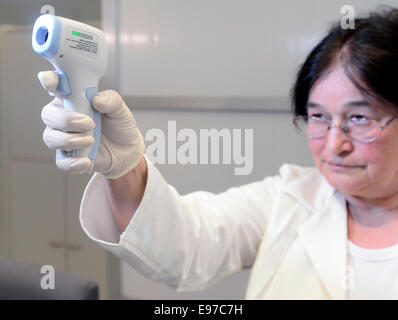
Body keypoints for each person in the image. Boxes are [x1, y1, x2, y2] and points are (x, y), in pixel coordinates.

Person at [38, 7, 398, 299]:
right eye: (318, 116)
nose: (335, 144)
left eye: (359, 118)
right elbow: (186, 247)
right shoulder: (290, 197)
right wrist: (125, 167)